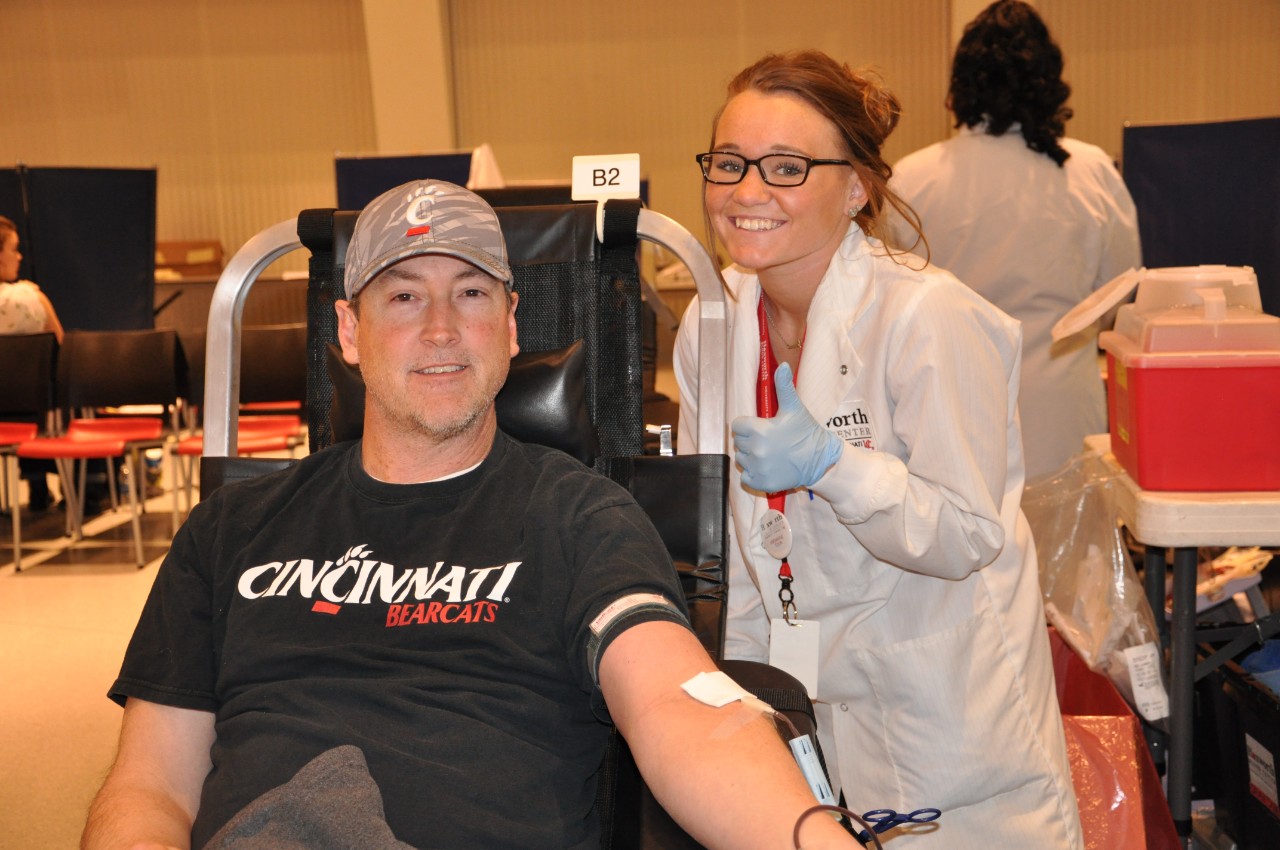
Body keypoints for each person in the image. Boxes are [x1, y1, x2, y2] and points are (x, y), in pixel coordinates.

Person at [81, 180, 859, 850]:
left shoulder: (579, 515)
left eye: (472, 292)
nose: (442, 327)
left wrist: (807, 834)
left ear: (513, 325)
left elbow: (680, 707)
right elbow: (151, 789)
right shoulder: (230, 530)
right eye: (405, 296)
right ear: (349, 333)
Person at [675, 50, 1083, 849]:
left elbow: (966, 532)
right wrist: (746, 699)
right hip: (802, 709)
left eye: (787, 167)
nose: (748, 192)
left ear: (857, 186)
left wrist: (835, 467)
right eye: (729, 163)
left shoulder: (927, 318)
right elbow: (721, 539)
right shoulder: (714, 321)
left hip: (948, 730)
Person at [888, 0, 1141, 481]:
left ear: (960, 83)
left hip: (952, 417)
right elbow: (1118, 301)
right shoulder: (1091, 173)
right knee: (1068, 552)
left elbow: (890, 313)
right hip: (1066, 414)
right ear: (1049, 81)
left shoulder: (912, 180)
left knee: (964, 547)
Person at [1, 214, 65, 510]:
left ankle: (36, 483)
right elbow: (59, 343)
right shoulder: (29, 297)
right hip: (35, 409)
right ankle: (82, 489)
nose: (19, 256)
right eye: (13, 249)